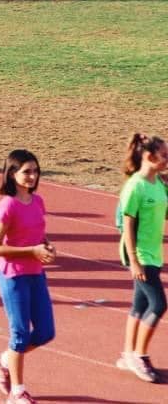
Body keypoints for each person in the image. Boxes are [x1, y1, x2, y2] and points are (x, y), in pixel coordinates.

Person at [0, 149, 56, 404]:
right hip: (13, 276)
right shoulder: (8, 205)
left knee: (46, 332)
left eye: (35, 171)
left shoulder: (37, 201)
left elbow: (38, 233)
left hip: (36, 273)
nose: (32, 176)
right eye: (26, 171)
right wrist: (32, 251)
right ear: (12, 173)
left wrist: (47, 246)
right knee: (19, 335)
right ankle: (17, 392)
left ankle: (3, 360)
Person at [116, 133, 167, 383]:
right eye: (164, 155)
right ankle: (140, 355)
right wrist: (134, 260)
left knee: (140, 305)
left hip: (154, 254)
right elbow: (127, 224)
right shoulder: (135, 186)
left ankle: (127, 354)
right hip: (141, 255)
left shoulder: (158, 183)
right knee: (158, 305)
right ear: (149, 156)